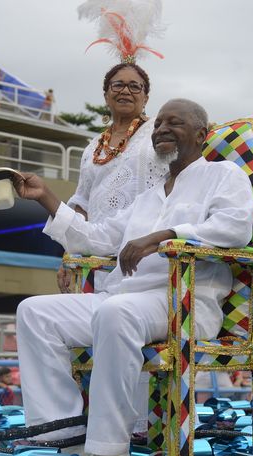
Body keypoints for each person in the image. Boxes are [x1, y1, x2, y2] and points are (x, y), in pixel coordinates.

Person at [14, 98, 253, 456]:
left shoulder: (223, 175)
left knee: (116, 312)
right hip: (122, 297)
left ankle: (110, 451)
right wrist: (45, 196)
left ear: (201, 135)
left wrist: (164, 236)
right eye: (158, 123)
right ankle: (64, 436)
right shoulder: (148, 196)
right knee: (35, 312)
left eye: (173, 122)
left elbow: (236, 226)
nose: (160, 128)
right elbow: (93, 238)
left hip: (181, 302)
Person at [58, 62, 168, 293]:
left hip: (143, 253)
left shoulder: (158, 133)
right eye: (118, 85)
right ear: (107, 95)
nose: (125, 91)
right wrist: (69, 256)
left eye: (134, 87)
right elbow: (81, 204)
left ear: (146, 98)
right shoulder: (92, 147)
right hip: (95, 256)